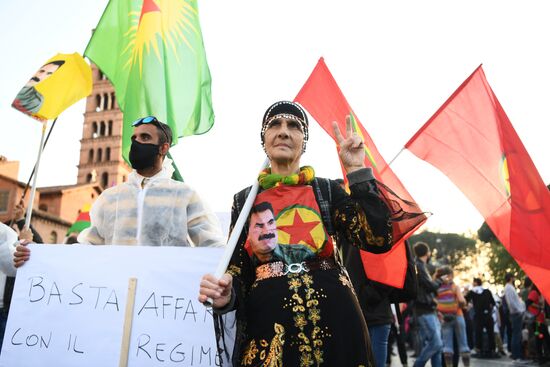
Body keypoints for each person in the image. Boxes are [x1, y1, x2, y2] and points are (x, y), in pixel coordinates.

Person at [199, 101, 404, 366]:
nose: (284, 131)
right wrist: (227, 296)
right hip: (271, 326)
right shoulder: (244, 201)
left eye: (294, 126)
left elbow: (376, 238)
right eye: (275, 124)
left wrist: (356, 171)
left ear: (303, 142)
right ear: (264, 139)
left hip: (337, 318)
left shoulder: (327, 191)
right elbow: (239, 271)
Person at [14, 116, 224, 267]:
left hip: (165, 303)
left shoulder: (185, 196)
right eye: (133, 138)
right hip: (115, 298)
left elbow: (212, 246)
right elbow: (87, 249)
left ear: (163, 148)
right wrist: (37, 254)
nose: (135, 143)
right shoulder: (110, 198)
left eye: (144, 138)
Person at [412, 241, 443, 367]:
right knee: (436, 343)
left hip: (428, 309)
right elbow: (430, 286)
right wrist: (441, 280)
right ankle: (417, 365)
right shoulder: (419, 266)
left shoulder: (420, 266)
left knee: (438, 346)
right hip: (424, 310)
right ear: (427, 252)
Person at [435, 266, 471, 367]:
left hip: (445, 318)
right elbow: (461, 301)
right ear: (450, 275)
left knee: (447, 346)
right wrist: (464, 304)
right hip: (457, 315)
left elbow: (435, 304)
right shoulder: (454, 286)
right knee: (463, 344)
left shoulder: (437, 288)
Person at [465, 277, 497, 357]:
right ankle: (492, 349)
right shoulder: (487, 291)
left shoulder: (472, 292)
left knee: (478, 332)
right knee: (490, 332)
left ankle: (478, 349)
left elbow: (465, 300)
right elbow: (493, 303)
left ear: (475, 283)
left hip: (479, 315)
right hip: (488, 314)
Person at [503, 272, 528, 364]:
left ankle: (517, 356)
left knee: (516, 335)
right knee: (516, 335)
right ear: (511, 278)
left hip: (516, 312)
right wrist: (519, 310)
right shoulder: (509, 288)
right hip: (516, 313)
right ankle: (516, 356)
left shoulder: (509, 287)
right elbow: (512, 302)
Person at [525, 284, 550, 364]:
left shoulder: (537, 293)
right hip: (537, 321)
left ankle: (541, 357)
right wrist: (539, 307)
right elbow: (528, 303)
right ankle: (540, 357)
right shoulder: (534, 293)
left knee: (542, 338)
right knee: (541, 338)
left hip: (539, 321)